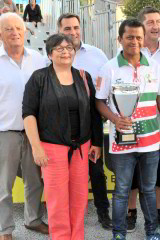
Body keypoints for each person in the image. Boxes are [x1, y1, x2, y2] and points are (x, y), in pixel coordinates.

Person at [96, 19, 160, 240]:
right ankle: (119, 233)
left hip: (151, 141)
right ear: (120, 39)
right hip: (121, 142)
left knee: (148, 189)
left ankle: (152, 232)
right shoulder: (109, 68)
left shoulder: (153, 67)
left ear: (144, 40)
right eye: (129, 37)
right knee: (122, 190)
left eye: (138, 37)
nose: (134, 41)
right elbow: (99, 101)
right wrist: (114, 118)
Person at [23, 33, 103, 240]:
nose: (65, 52)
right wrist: (36, 147)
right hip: (51, 148)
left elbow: (94, 113)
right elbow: (29, 113)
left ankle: (77, 236)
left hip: (82, 147)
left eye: (69, 48)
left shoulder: (83, 77)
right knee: (57, 199)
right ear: (50, 54)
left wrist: (96, 142)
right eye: (59, 48)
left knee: (79, 198)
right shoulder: (39, 78)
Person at [57, 12, 112, 230]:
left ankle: (102, 212)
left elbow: (106, 89)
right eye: (67, 29)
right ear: (59, 31)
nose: (72, 32)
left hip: (91, 123)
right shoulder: (51, 56)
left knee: (96, 171)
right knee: (62, 175)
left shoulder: (97, 55)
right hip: (61, 127)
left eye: (75, 28)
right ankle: (63, 215)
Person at [126, 6, 160, 233]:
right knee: (134, 171)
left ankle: (158, 211)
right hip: (136, 124)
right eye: (151, 22)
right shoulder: (130, 52)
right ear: (141, 26)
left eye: (158, 22)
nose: (156, 26)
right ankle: (131, 212)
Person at [0, 12, 48, 240]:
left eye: (18, 28)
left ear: (26, 31)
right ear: (0, 33)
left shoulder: (38, 59)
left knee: (34, 181)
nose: (14, 32)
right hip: (4, 133)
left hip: (34, 133)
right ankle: (5, 229)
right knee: (3, 186)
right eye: (8, 28)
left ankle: (32, 220)